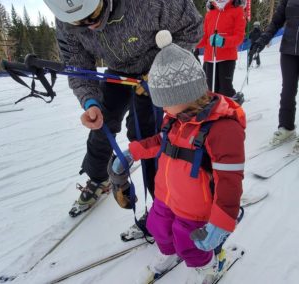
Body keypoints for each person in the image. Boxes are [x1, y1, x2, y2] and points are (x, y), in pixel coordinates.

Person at [43, 0, 203, 237]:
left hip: (162, 65)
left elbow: (192, 28)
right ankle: (98, 179)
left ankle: (164, 205)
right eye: (80, 23)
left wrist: (160, 70)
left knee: (149, 136)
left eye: (93, 16)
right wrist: (89, 101)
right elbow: (77, 62)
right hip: (120, 72)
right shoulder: (65, 16)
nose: (91, 26)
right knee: (101, 123)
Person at [109, 31, 245, 283]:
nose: (161, 108)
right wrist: (133, 152)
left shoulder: (223, 129)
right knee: (159, 228)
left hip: (195, 207)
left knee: (189, 243)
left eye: (164, 102)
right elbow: (161, 142)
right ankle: (167, 252)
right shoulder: (175, 119)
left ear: (183, 96)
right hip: (166, 197)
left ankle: (209, 265)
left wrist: (221, 222)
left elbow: (230, 181)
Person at [249, 0, 299, 152]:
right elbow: (276, 21)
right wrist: (262, 40)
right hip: (289, 50)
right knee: (287, 91)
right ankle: (286, 127)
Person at [196, 0, 246, 98]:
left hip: (227, 58)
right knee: (210, 90)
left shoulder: (237, 10)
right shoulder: (210, 13)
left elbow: (239, 37)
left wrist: (223, 41)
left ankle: (231, 108)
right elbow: (205, 36)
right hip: (210, 58)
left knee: (225, 90)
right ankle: (215, 112)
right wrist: (193, 43)